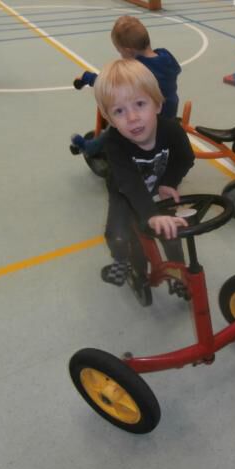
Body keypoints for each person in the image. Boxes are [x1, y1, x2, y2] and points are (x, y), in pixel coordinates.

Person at [93, 58, 194, 290]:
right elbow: (129, 183)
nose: (132, 118)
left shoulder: (172, 131)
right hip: (124, 193)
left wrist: (169, 182)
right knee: (118, 235)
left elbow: (185, 158)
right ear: (109, 119)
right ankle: (122, 261)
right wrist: (150, 214)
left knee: (171, 233)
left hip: (158, 189)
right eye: (119, 111)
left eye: (140, 104)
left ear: (157, 104)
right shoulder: (114, 142)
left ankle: (177, 270)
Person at [71, 15, 182, 156]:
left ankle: (90, 148)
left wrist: (87, 78)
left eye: (120, 51)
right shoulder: (165, 56)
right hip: (170, 110)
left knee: (114, 131)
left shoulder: (140, 70)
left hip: (153, 117)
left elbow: (112, 84)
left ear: (129, 51)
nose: (121, 55)